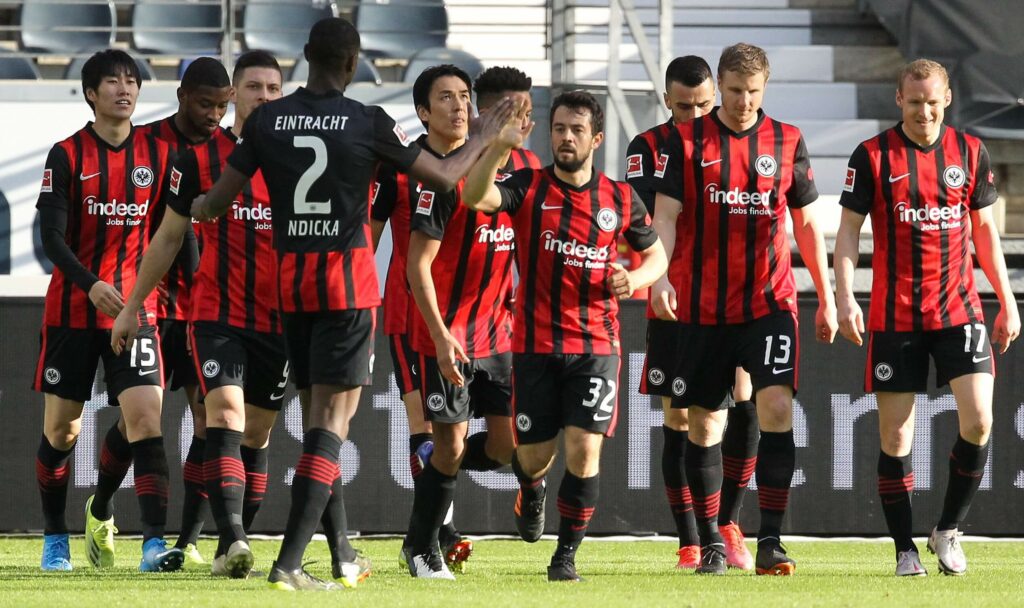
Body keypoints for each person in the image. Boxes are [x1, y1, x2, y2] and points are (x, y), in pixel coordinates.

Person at [187, 17, 514, 591]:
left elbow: (212, 205)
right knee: (329, 429)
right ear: (352, 63)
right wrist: (486, 138)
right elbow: (441, 177)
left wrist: (189, 206)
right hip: (346, 290)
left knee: (316, 423)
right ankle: (289, 565)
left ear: (305, 57)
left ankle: (334, 555)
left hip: (290, 292)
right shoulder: (367, 121)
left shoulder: (267, 120)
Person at [462, 90, 669, 581]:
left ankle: (565, 556)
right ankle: (530, 490)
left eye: (576, 130)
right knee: (534, 456)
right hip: (534, 344)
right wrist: (499, 147)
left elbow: (657, 257)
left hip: (597, 345)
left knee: (584, 447)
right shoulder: (528, 186)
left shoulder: (619, 198)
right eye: (559, 129)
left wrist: (635, 279)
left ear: (596, 138)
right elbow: (473, 196)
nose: (566, 138)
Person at [650, 43, 837, 575]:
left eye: (753, 92)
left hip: (769, 302)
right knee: (704, 426)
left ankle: (771, 540)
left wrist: (825, 296)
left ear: (765, 88)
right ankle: (710, 540)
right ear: (720, 86)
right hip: (703, 306)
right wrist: (661, 276)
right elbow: (665, 217)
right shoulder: (686, 142)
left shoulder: (787, 140)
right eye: (734, 91)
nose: (742, 102)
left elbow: (804, 223)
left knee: (775, 408)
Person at [111, 51, 294, 580]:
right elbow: (168, 237)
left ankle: (226, 543)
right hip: (215, 314)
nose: (264, 96)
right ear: (234, 94)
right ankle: (233, 536)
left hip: (280, 321)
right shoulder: (197, 160)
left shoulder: (298, 160)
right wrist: (130, 308)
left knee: (256, 437)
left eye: (273, 88)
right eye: (254, 87)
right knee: (224, 419)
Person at [833, 58, 1020, 577]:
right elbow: (848, 232)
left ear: (947, 98)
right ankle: (904, 549)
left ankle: (948, 531)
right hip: (896, 316)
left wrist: (1004, 298)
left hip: (959, 309)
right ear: (898, 100)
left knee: (980, 421)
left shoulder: (970, 151)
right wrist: (845, 295)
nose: (924, 111)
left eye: (933, 101)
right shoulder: (871, 156)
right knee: (895, 438)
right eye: (914, 102)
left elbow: (984, 232)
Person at [34, 48, 183, 573]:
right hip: (73, 311)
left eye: (132, 81)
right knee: (62, 432)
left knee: (145, 417)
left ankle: (147, 542)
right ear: (91, 94)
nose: (125, 89)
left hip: (136, 310)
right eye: (112, 82)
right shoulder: (67, 154)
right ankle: (56, 535)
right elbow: (50, 237)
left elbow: (173, 233)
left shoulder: (159, 155)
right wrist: (90, 283)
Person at [87, 56, 232, 568]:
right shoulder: (146, 145)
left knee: (208, 421)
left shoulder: (233, 152)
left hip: (208, 307)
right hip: (149, 302)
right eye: (204, 103)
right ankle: (100, 506)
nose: (214, 114)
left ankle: (183, 540)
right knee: (140, 421)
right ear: (181, 96)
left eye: (222, 105)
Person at [626, 54, 759, 571]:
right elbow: (643, 222)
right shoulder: (651, 148)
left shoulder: (735, 142)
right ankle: (689, 539)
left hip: (734, 298)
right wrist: (655, 278)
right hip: (673, 297)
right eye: (684, 106)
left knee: (743, 396)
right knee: (678, 415)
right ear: (667, 102)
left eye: (705, 103)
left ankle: (728, 524)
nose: (695, 114)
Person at [396, 65, 518, 579]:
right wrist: (441, 336)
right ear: (424, 112)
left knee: (508, 447)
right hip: (444, 334)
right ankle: (421, 546)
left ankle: (435, 474)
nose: (458, 105)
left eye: (464, 96)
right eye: (445, 97)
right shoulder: (438, 179)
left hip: (500, 335)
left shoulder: (520, 175)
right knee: (446, 444)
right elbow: (414, 264)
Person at [473, 65, 543, 176]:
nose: (524, 124)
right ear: (485, 116)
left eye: (527, 114)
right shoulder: (460, 166)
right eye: (516, 115)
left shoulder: (530, 162)